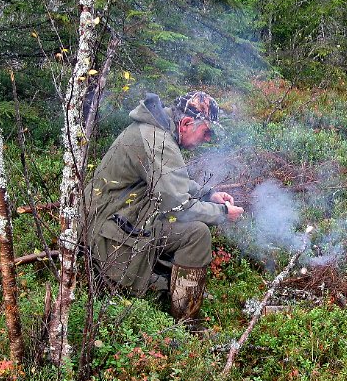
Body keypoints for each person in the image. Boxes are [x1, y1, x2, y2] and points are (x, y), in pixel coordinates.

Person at [84, 91, 244, 325]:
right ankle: (185, 319)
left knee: (182, 223)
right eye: (206, 132)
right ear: (187, 123)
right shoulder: (159, 142)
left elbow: (169, 181)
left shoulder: (156, 131)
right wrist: (221, 213)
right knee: (197, 234)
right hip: (108, 231)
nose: (207, 139)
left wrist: (209, 194)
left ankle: (170, 283)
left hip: (111, 215)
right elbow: (179, 207)